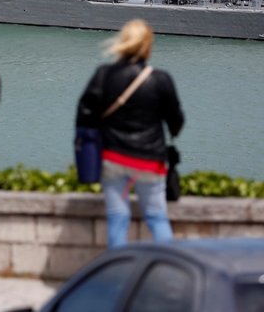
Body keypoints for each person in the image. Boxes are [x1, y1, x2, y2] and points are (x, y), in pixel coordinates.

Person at [76, 20, 184, 249]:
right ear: (147, 47)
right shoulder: (160, 79)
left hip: (113, 158)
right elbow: (176, 121)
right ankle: (168, 276)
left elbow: (85, 114)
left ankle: (118, 276)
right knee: (156, 218)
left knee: (117, 218)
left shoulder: (104, 75)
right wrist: (171, 130)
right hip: (149, 160)